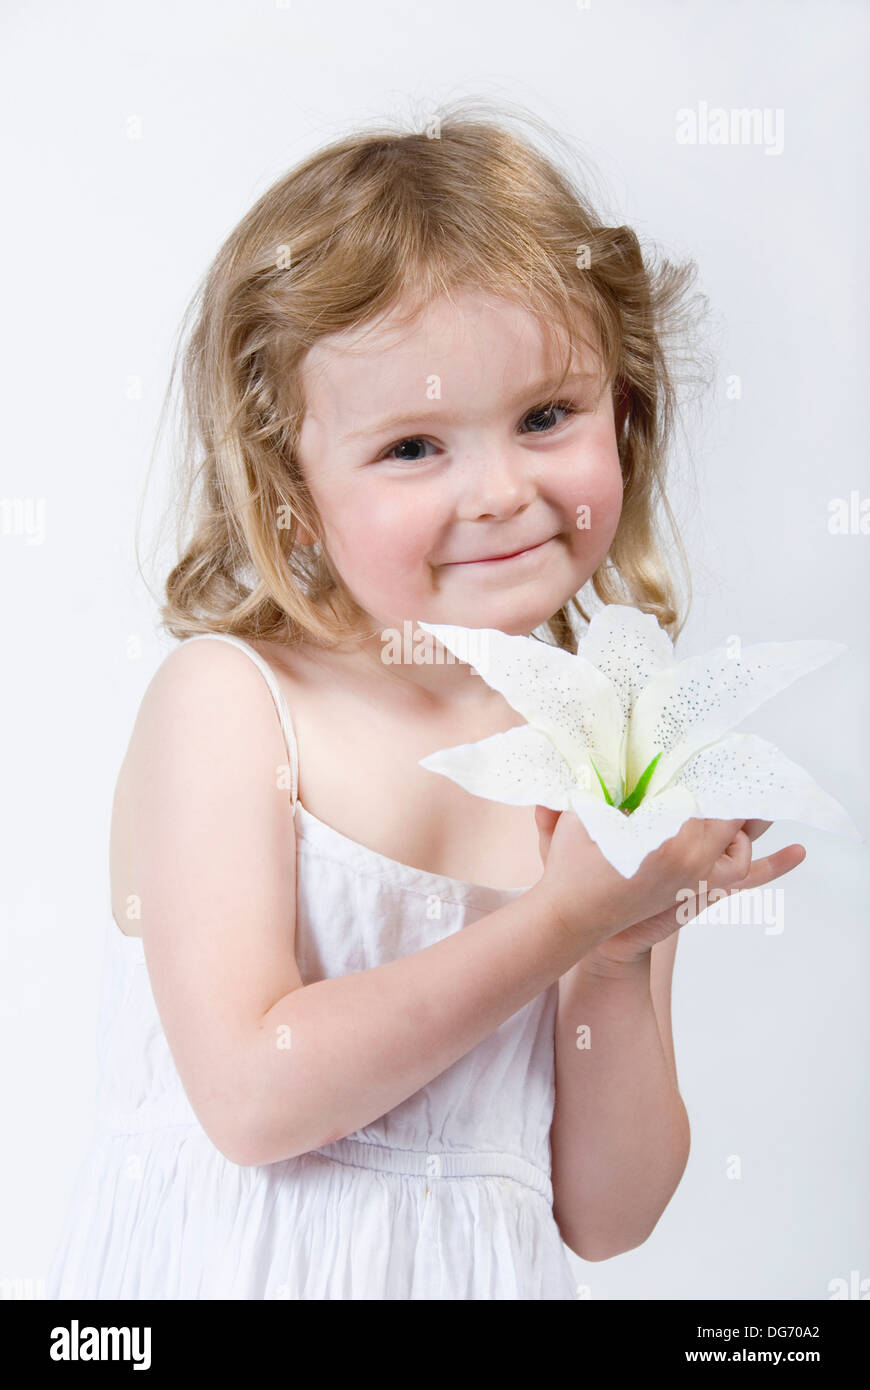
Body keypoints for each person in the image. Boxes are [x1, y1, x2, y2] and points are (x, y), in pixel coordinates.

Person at [45, 101, 803, 1300]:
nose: (500, 490)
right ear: (291, 489)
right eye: (413, 447)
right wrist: (558, 921)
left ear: (625, 417)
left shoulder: (604, 754)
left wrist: (610, 957)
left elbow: (608, 1214)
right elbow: (252, 1095)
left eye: (546, 417)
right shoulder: (233, 705)